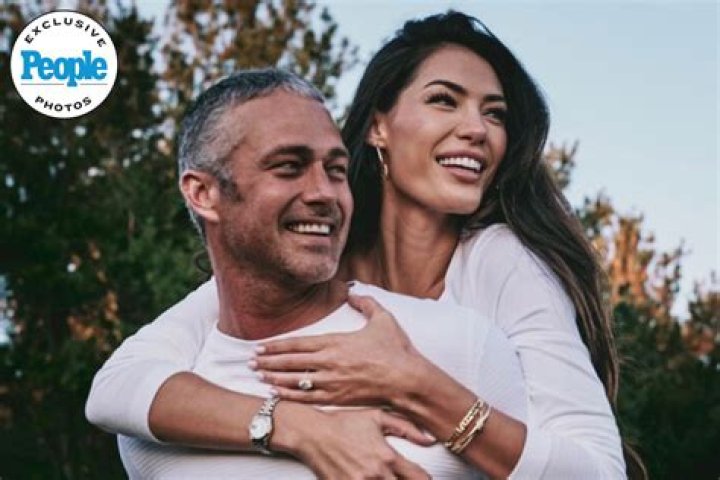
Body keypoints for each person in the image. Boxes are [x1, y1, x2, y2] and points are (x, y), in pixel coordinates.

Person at [87, 11, 630, 478]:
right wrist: (298, 426)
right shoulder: (316, 253)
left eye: (495, 114)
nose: (477, 129)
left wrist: (415, 384)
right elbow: (117, 385)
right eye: (445, 101)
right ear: (378, 127)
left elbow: (600, 470)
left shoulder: (500, 260)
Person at [115, 67, 528, 479]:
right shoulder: (152, 426)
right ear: (203, 194)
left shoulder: (460, 344)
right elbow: (113, 387)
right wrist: (297, 427)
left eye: (335, 170)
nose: (324, 193)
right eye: (288, 167)